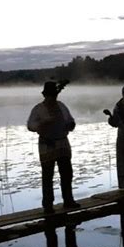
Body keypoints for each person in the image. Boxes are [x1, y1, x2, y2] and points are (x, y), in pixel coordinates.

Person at [27, 80, 80, 214]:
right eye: (50, 95)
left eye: (54, 95)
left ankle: (68, 200)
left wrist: (70, 125)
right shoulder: (38, 109)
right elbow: (30, 126)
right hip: (47, 143)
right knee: (47, 175)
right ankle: (48, 205)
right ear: (45, 95)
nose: (52, 98)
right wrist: (42, 124)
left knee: (67, 173)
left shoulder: (61, 106)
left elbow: (70, 120)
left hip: (62, 142)